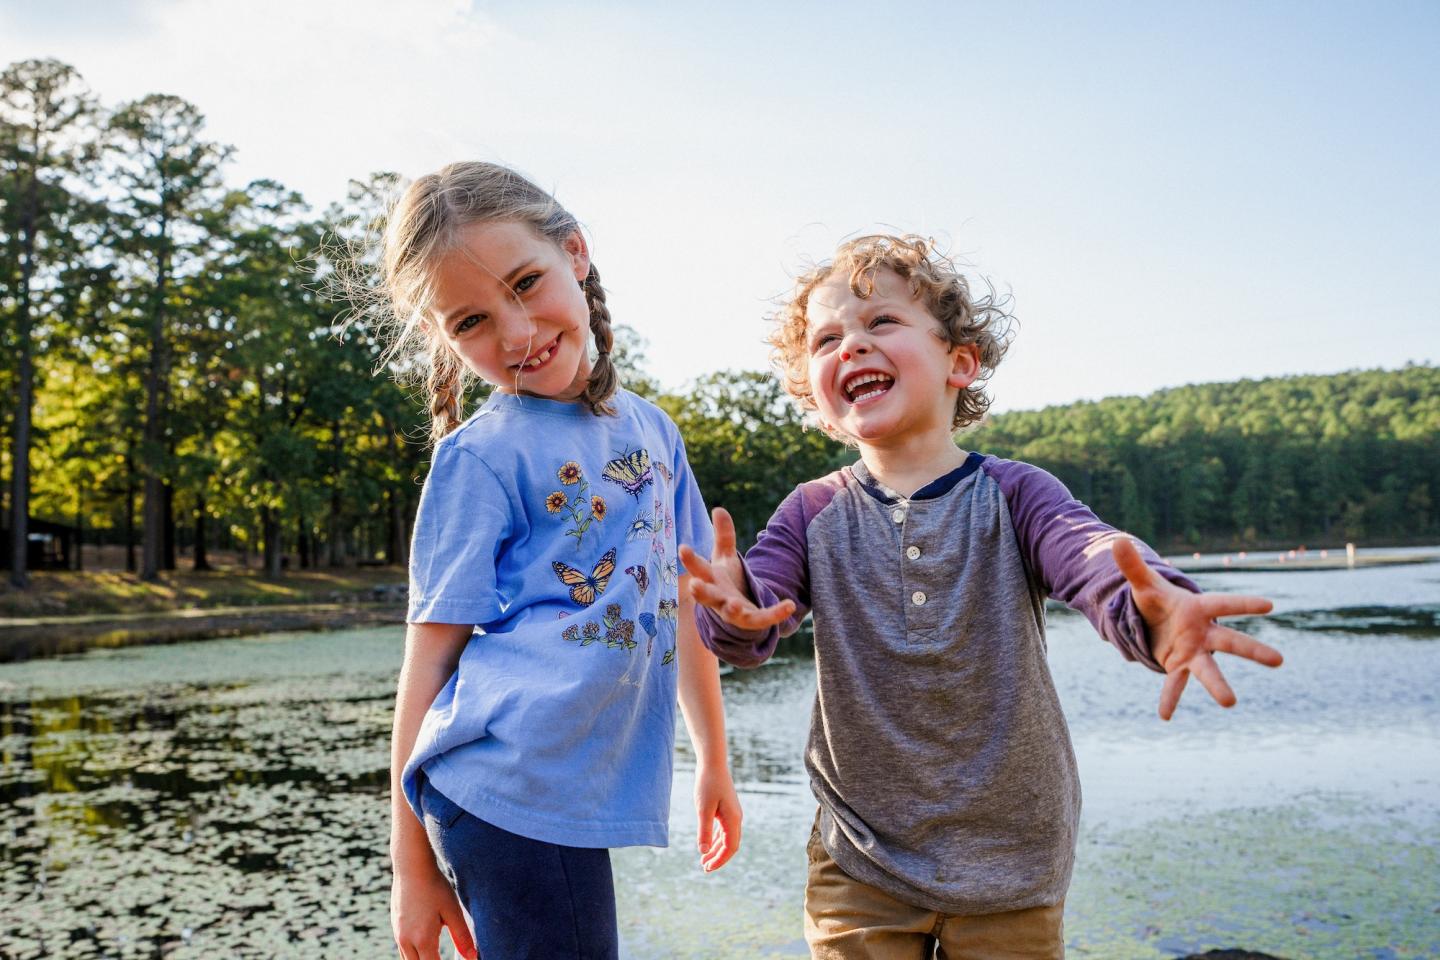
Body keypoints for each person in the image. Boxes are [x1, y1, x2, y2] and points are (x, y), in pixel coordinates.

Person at [679, 234, 1282, 959]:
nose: (852, 346)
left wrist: (1156, 610)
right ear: (817, 401)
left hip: (1014, 861)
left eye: (881, 324)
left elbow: (1090, 555)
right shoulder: (811, 512)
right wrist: (729, 602)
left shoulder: (1017, 494)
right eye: (828, 338)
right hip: (861, 859)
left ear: (958, 362)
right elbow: (755, 613)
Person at [375, 161, 741, 960]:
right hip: (502, 789)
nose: (515, 334)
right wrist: (409, 861)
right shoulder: (481, 457)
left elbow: (684, 603)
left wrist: (714, 757)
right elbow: (428, 660)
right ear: (443, 338)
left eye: (526, 282)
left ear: (576, 252)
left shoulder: (654, 432)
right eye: (469, 322)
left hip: (565, 796)